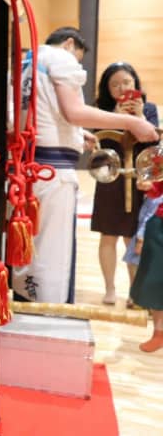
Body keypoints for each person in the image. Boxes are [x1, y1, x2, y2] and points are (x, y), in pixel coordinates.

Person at [11, 27, 158, 304]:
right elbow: (74, 112)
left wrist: (78, 135)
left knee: (32, 251)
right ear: (69, 44)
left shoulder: (28, 62)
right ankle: (46, 316)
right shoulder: (61, 58)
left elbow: (39, 116)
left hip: (30, 167)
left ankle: (28, 305)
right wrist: (131, 122)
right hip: (53, 173)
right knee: (53, 257)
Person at [90, 62, 158, 305]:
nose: (122, 88)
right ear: (107, 89)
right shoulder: (101, 110)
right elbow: (97, 142)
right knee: (108, 236)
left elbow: (153, 141)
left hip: (139, 179)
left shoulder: (149, 109)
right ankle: (109, 289)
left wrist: (138, 117)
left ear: (135, 84)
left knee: (133, 238)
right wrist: (116, 117)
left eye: (127, 83)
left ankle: (134, 291)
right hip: (110, 177)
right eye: (115, 84)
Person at [130, 181, 163, 353]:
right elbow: (157, 189)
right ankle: (158, 333)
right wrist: (150, 186)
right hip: (159, 224)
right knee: (154, 280)